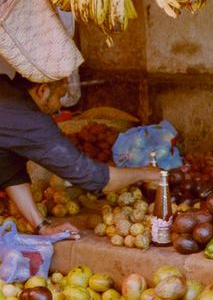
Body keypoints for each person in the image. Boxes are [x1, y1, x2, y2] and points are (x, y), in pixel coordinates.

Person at [0, 74, 160, 236]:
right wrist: (145, 173)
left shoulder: (5, 91)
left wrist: (41, 227)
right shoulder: (29, 120)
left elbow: (12, 174)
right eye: (60, 97)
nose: (58, 108)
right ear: (43, 90)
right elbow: (93, 177)